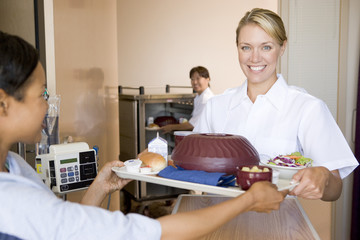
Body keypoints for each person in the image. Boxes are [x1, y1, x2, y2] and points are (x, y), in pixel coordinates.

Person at [0, 31, 287, 240]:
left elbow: (67, 228)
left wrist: (99, 187)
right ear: (3, 103)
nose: (48, 104)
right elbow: (148, 233)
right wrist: (248, 201)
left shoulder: (15, 165)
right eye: (42, 94)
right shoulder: (11, 201)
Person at [194, 8, 359, 201]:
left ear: (282, 47)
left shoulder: (308, 108)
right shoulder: (216, 106)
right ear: (237, 48)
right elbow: (192, 168)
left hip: (280, 225)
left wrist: (323, 176)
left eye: (266, 47)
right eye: (246, 47)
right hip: (218, 222)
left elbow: (335, 189)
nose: (254, 58)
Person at [160, 66, 214, 133]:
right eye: (192, 79)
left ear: (207, 79)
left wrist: (171, 127)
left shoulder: (206, 99)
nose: (194, 82)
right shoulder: (198, 97)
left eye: (198, 78)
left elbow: (193, 124)